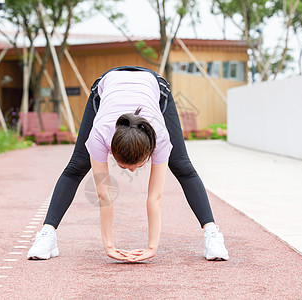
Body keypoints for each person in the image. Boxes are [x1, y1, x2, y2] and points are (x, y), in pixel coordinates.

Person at [27, 66, 229, 262]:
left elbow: (155, 197)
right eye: (124, 167)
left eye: (137, 166)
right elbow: (104, 195)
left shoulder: (159, 136)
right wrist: (109, 247)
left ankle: (212, 233)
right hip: (106, 86)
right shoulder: (100, 134)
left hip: (154, 87)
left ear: (150, 149)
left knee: (181, 165)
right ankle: (47, 233)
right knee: (77, 165)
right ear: (111, 149)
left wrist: (152, 247)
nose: (131, 171)